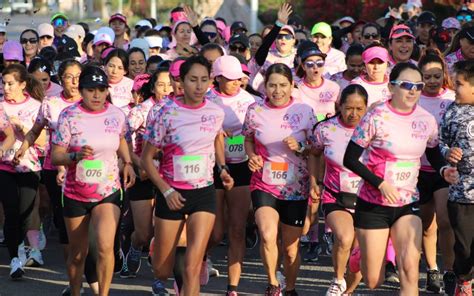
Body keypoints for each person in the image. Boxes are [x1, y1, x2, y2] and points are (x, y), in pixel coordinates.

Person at [343, 62, 458, 295]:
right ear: (391, 87)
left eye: (418, 85)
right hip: (374, 204)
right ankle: (359, 255)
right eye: (407, 85)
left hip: (407, 204)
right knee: (373, 280)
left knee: (409, 268)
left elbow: (433, 153)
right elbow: (350, 159)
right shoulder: (376, 116)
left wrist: (444, 170)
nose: (413, 90)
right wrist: (380, 183)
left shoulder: (426, 119)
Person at [141, 55, 233, 296]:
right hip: (171, 192)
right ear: (181, 81)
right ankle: (157, 248)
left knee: (193, 267)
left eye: (204, 80)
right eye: (193, 80)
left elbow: (215, 139)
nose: (199, 86)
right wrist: (166, 190)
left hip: (203, 193)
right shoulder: (166, 112)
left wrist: (222, 169)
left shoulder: (215, 112)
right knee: (163, 270)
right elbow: (146, 159)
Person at [51, 65, 135, 296]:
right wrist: (73, 156)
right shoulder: (68, 115)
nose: (96, 95)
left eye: (101, 89)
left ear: (107, 90)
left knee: (106, 246)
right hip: (75, 193)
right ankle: (76, 291)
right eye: (90, 90)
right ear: (81, 90)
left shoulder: (117, 115)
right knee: (78, 253)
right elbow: (55, 154)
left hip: (107, 190)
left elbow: (122, 141)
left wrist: (127, 163)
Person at [242, 63, 317, 296]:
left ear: (292, 85)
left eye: (283, 85)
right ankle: (273, 283)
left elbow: (317, 148)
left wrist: (301, 147)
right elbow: (248, 140)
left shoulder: (305, 111)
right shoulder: (255, 111)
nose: (277, 91)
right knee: (267, 234)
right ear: (265, 86)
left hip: (296, 186)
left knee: (291, 249)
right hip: (264, 182)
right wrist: (252, 156)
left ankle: (291, 288)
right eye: (272, 85)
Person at [206, 55, 256, 295]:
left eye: (239, 78)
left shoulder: (250, 101)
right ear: (217, 79)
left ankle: (232, 287)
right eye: (230, 79)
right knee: (215, 231)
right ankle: (203, 255)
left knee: (238, 228)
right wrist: (215, 132)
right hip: (213, 167)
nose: (237, 82)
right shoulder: (206, 99)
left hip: (241, 167)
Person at [312, 84, 368, 295]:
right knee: (344, 238)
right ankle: (337, 280)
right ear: (339, 106)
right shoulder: (325, 128)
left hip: (366, 198)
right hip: (335, 195)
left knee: (357, 251)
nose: (353, 114)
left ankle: (349, 290)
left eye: (359, 109)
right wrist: (314, 181)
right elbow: (314, 154)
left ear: (366, 108)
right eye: (348, 108)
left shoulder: (374, 129)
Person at [122, 67, 172, 279]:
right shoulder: (140, 111)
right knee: (144, 233)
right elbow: (123, 137)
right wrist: (137, 163)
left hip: (168, 177)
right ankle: (134, 246)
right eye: (161, 85)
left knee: (161, 230)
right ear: (152, 87)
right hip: (143, 175)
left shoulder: (178, 109)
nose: (167, 89)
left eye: (171, 84)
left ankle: (158, 278)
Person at [417, 49, 457, 295]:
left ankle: (449, 270)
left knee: (444, 220)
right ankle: (432, 269)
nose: (432, 81)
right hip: (417, 168)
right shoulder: (413, 98)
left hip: (445, 169)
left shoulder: (452, 98)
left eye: (436, 75)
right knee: (426, 224)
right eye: (427, 76)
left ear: (444, 75)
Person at [0, 64, 45, 279]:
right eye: (4, 83)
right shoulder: (0, 106)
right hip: (4, 166)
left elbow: (44, 141)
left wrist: (22, 128)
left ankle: (27, 247)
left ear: (22, 84)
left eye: (11, 83)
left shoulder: (36, 107)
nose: (6, 88)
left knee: (25, 212)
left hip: (29, 166)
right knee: (10, 212)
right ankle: (15, 259)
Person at [439, 60, 474, 296]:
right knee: (464, 246)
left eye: (459, 84)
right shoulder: (451, 110)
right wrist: (447, 152)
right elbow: (439, 143)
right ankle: (464, 281)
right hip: (461, 193)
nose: (454, 89)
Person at [294, 45, 340, 121]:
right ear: (303, 66)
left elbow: (340, 110)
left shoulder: (334, 87)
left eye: (319, 63)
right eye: (310, 64)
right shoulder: (297, 88)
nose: (315, 67)